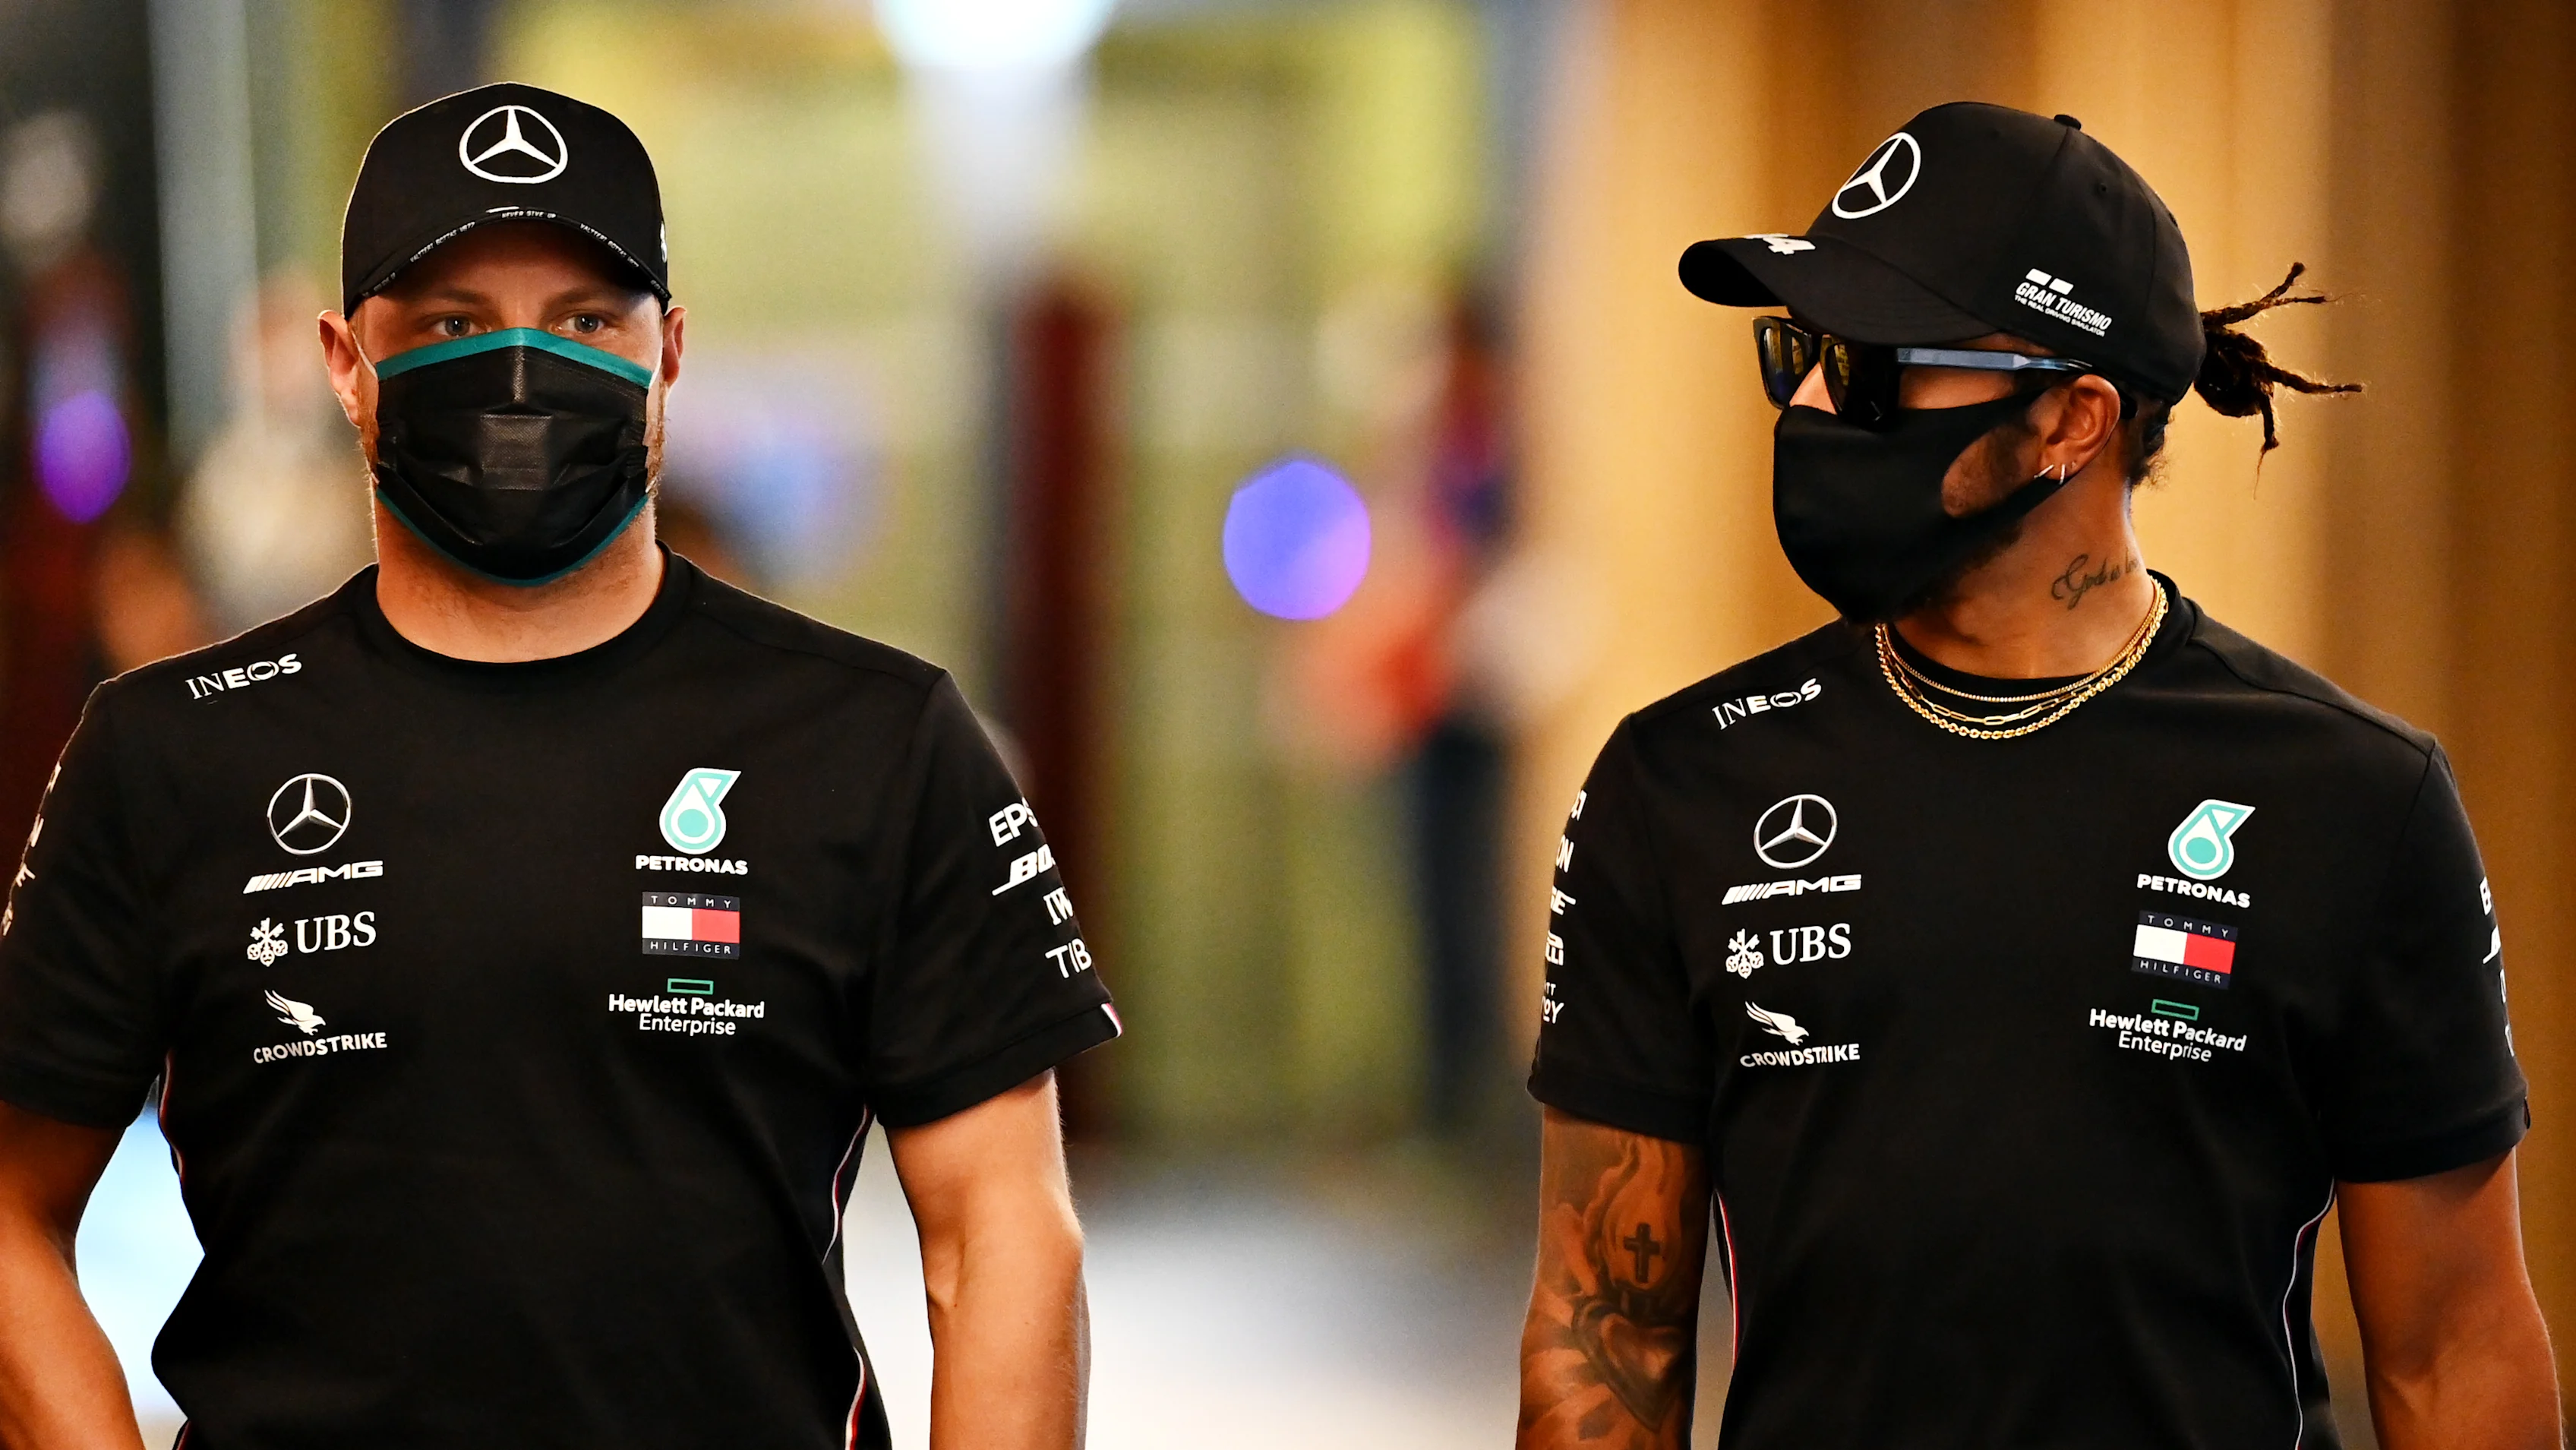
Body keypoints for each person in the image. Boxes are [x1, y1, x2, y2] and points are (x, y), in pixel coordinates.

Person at [0, 82, 1117, 1450]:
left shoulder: (875, 743)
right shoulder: (170, 754)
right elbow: (8, 1207)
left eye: (584, 322)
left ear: (671, 349)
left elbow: (1001, 1235)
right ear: (345, 363)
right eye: (454, 326)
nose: (520, 375)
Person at [1517, 102, 2556, 1449]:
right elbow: (1605, 1335)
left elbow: (2454, 1350)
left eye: (1879, 367)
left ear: (2075, 417)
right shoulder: (1682, 786)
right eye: (1806, 356)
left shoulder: (2353, 800)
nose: (1820, 403)